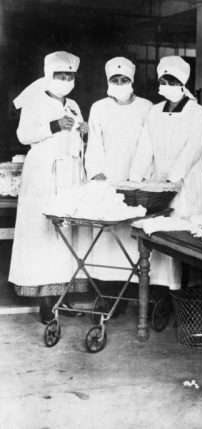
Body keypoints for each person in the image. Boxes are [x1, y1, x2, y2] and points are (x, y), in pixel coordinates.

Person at [10, 51, 89, 323]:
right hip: (44, 175)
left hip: (69, 176)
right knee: (43, 236)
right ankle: (46, 302)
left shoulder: (75, 104)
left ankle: (64, 298)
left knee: (67, 238)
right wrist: (54, 125)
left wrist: (83, 133)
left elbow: (76, 141)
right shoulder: (35, 101)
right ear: (49, 76)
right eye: (60, 76)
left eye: (70, 76)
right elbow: (23, 135)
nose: (66, 80)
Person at [129, 55, 202, 289]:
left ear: (183, 84)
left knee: (185, 240)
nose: (167, 86)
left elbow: (193, 149)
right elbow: (145, 147)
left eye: (173, 82)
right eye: (164, 81)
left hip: (187, 182)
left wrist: (172, 179)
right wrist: (136, 180)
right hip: (159, 184)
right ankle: (163, 293)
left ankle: (187, 295)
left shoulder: (197, 112)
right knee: (160, 242)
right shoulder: (154, 112)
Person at [84, 57, 153, 285]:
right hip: (107, 178)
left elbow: (150, 144)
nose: (120, 83)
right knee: (108, 236)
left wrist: (142, 175)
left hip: (137, 178)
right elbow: (94, 144)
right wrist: (97, 173)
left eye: (124, 79)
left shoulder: (146, 107)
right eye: (115, 79)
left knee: (133, 234)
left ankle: (133, 288)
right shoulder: (99, 107)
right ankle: (108, 288)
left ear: (132, 81)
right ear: (108, 81)